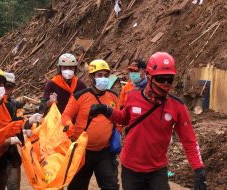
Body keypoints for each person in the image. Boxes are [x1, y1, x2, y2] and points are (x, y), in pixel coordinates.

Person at [89, 52, 207, 190]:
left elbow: (189, 141)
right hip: (131, 170)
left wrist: (199, 170)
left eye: (170, 79)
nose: (165, 83)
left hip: (157, 170)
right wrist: (106, 110)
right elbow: (123, 118)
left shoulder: (177, 107)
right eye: (161, 78)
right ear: (150, 77)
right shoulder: (133, 97)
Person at [62, 59, 119, 190]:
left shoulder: (113, 97)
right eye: (100, 75)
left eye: (106, 75)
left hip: (105, 151)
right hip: (82, 151)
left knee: (111, 186)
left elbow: (119, 117)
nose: (103, 78)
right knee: (77, 187)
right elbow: (66, 116)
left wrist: (118, 133)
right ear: (91, 77)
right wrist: (69, 125)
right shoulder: (80, 96)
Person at [4, 72, 24, 190]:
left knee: (13, 186)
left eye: (9, 87)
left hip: (11, 156)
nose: (6, 89)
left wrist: (27, 125)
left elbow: (21, 122)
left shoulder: (16, 105)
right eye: (4, 86)